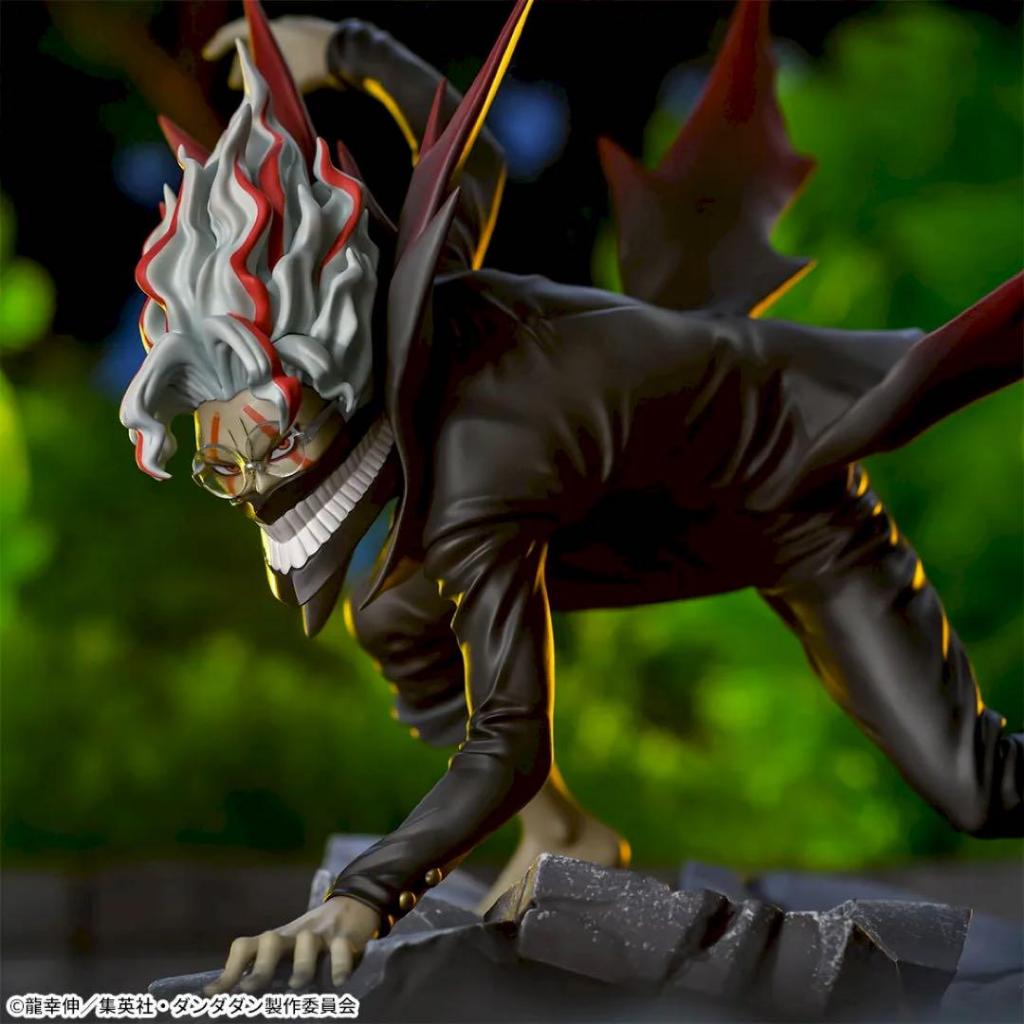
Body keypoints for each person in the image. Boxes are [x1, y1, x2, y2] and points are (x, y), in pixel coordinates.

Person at [118, 0, 1022, 995]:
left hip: (795, 504)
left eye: (265, 441)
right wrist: (342, 48)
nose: (251, 484)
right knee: (394, 607)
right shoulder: (417, 314)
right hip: (641, 512)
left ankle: (555, 825)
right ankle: (562, 832)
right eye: (219, 460)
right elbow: (472, 158)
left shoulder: (482, 461)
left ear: (335, 380)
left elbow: (510, 735)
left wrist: (365, 895)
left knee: (980, 789)